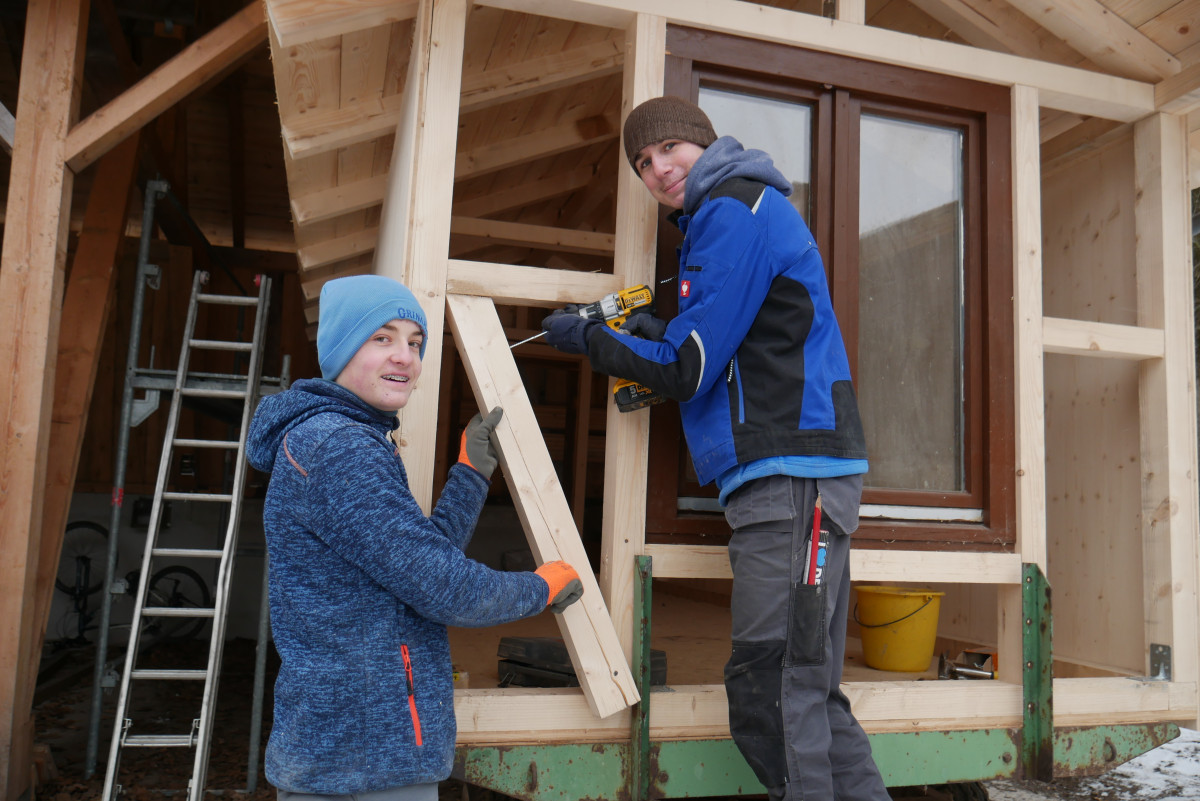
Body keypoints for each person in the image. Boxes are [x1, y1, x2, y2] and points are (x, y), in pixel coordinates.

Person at [539, 96, 887, 801]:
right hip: (799, 474)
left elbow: (686, 367)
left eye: (670, 148)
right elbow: (725, 345)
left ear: (704, 143)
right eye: (643, 162)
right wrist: (654, 326)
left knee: (772, 691)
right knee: (806, 691)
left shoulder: (733, 210)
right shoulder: (729, 216)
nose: (658, 168)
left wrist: (593, 340)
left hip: (790, 476)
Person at [248, 274, 583, 800]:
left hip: (352, 752)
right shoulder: (340, 448)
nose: (404, 356)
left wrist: (470, 473)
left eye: (415, 341)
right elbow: (443, 588)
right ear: (339, 350)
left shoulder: (344, 437)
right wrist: (538, 588)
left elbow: (415, 566)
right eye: (381, 338)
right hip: (364, 763)